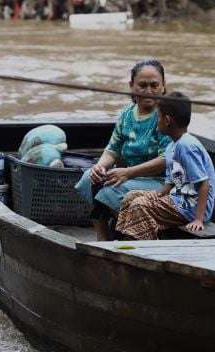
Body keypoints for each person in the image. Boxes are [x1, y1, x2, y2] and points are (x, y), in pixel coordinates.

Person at [75, 59, 172, 241]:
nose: (148, 91)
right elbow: (112, 149)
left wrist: (128, 172)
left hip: (161, 181)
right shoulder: (127, 114)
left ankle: (126, 232)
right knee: (89, 178)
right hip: (132, 177)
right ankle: (103, 238)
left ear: (163, 85)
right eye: (142, 85)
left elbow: (166, 159)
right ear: (131, 86)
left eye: (154, 85)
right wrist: (100, 168)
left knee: (111, 189)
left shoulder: (166, 116)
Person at [115, 91, 215, 241]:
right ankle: (124, 239)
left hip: (192, 208)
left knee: (141, 205)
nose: (157, 122)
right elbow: (171, 181)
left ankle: (139, 247)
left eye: (158, 118)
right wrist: (159, 194)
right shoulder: (172, 145)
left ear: (167, 120)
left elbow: (204, 183)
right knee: (131, 196)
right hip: (178, 199)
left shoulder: (186, 146)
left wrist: (199, 219)